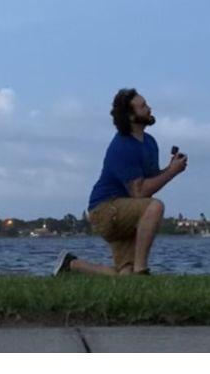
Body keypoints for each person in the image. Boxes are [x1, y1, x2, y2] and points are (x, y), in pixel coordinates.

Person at [53, 88, 187, 277]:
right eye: (143, 106)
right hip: (106, 210)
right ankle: (142, 271)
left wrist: (171, 168)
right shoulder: (122, 146)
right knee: (155, 206)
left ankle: (71, 265)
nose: (149, 108)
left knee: (125, 274)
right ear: (131, 117)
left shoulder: (149, 142)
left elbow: (150, 181)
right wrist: (172, 173)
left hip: (126, 211)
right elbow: (139, 192)